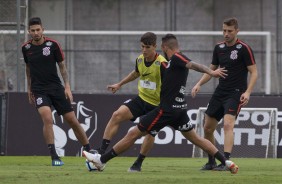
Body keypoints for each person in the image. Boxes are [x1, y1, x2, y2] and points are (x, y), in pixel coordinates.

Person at [83, 33, 239, 174]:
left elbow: (193, 64)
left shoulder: (177, 58)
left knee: (133, 133)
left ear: (164, 47)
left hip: (166, 110)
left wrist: (211, 72)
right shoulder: (170, 62)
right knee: (197, 139)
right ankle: (226, 162)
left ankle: (101, 160)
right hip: (179, 110)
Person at [22, 17, 91, 166]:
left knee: (72, 120)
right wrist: (29, 88)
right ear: (29, 32)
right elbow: (28, 69)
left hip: (56, 88)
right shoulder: (26, 48)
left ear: (43, 30)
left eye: (38, 30)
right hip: (39, 90)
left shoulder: (53, 45)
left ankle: (90, 151)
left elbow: (62, 67)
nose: (35, 33)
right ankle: (54, 157)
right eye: (32, 30)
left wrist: (67, 86)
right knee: (47, 118)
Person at [93, 32, 167, 172]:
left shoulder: (162, 64)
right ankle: (101, 151)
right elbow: (135, 74)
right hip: (141, 99)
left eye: (147, 47)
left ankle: (138, 163)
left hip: (156, 105)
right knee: (117, 115)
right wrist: (119, 84)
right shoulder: (140, 59)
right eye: (142, 47)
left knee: (151, 132)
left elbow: (169, 86)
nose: (144, 50)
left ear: (155, 46)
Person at [191, 17, 258, 171]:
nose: (226, 34)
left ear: (237, 31)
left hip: (236, 93)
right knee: (207, 128)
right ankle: (211, 161)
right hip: (220, 92)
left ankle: (225, 161)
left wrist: (247, 92)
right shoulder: (219, 48)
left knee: (228, 124)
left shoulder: (244, 48)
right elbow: (211, 70)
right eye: (224, 30)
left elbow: (254, 72)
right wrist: (199, 83)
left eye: (229, 31)